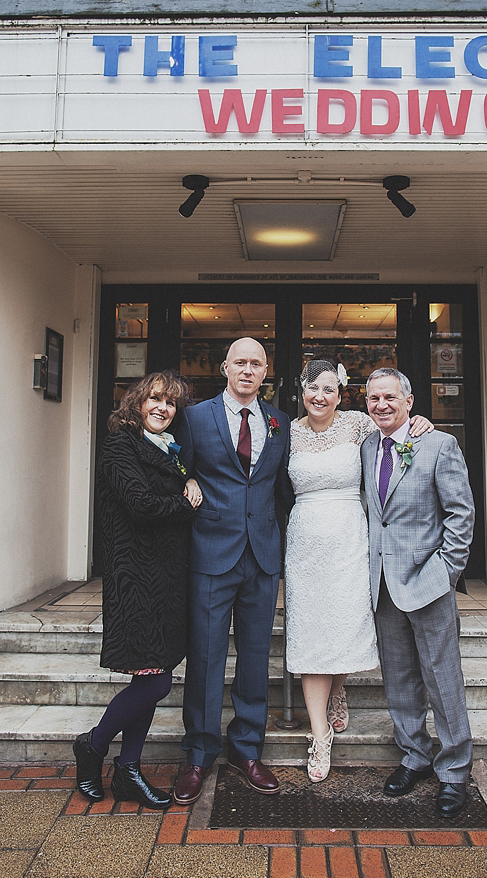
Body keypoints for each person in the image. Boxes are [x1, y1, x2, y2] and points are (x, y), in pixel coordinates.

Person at [284, 359, 432, 783]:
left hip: (352, 538)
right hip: (306, 542)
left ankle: (338, 687)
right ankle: (319, 734)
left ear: (341, 393)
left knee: (346, 622)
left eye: (329, 388)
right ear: (302, 391)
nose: (320, 396)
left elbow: (395, 433)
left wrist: (418, 418)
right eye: (313, 388)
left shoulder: (358, 425)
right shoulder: (288, 431)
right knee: (313, 631)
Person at [173, 337, 293, 805]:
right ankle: (199, 754)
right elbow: (172, 461)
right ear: (225, 367)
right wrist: (185, 478)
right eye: (240, 362)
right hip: (210, 553)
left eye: (256, 364)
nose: (247, 370)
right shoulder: (195, 416)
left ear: (266, 372)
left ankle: (247, 750)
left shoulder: (280, 422)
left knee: (256, 657)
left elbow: (283, 487)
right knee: (204, 657)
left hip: (262, 556)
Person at [73, 371, 201, 809]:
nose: (163, 408)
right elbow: (143, 506)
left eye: (171, 404)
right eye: (155, 400)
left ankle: (128, 770)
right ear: (137, 403)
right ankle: (92, 745)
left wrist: (190, 478)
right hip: (135, 579)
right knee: (157, 680)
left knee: (150, 671)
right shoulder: (120, 445)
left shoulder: (167, 449)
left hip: (165, 579)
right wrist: (187, 503)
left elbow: (165, 486)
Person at [361, 367, 475, 818]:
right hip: (384, 585)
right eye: (373, 399)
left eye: (390, 397)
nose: (381, 405)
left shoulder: (439, 445)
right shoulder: (368, 445)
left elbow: (460, 515)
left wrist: (446, 572)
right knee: (400, 679)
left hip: (428, 583)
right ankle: (415, 756)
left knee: (443, 680)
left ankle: (454, 770)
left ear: (409, 401)